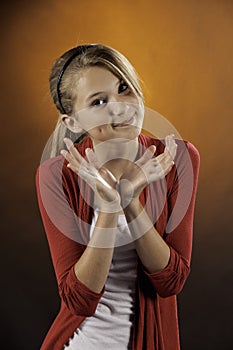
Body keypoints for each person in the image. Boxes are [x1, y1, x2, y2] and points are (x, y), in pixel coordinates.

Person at [36, 44, 200, 350]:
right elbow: (79, 299)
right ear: (72, 122)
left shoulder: (179, 159)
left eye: (123, 87)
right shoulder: (55, 175)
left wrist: (130, 200)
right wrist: (110, 207)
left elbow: (171, 281)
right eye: (99, 102)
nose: (121, 106)